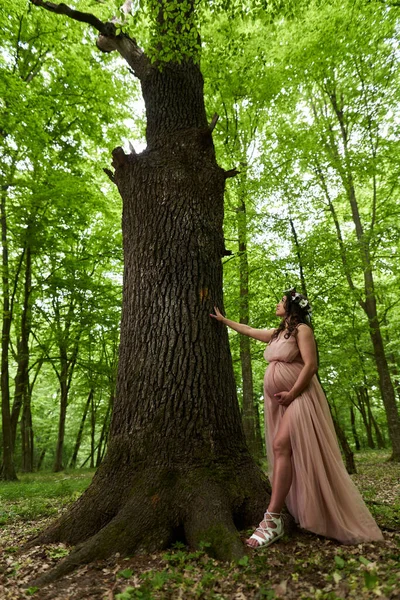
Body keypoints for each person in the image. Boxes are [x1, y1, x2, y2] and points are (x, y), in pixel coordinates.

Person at [210, 288, 383, 548]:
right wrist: (225, 321)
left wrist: (291, 393)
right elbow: (248, 329)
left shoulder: (303, 330)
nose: (277, 304)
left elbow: (311, 365)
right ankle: (279, 515)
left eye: (281, 301)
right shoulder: (278, 333)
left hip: (300, 397)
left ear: (292, 307)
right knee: (284, 450)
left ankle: (272, 518)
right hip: (284, 402)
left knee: (280, 446)